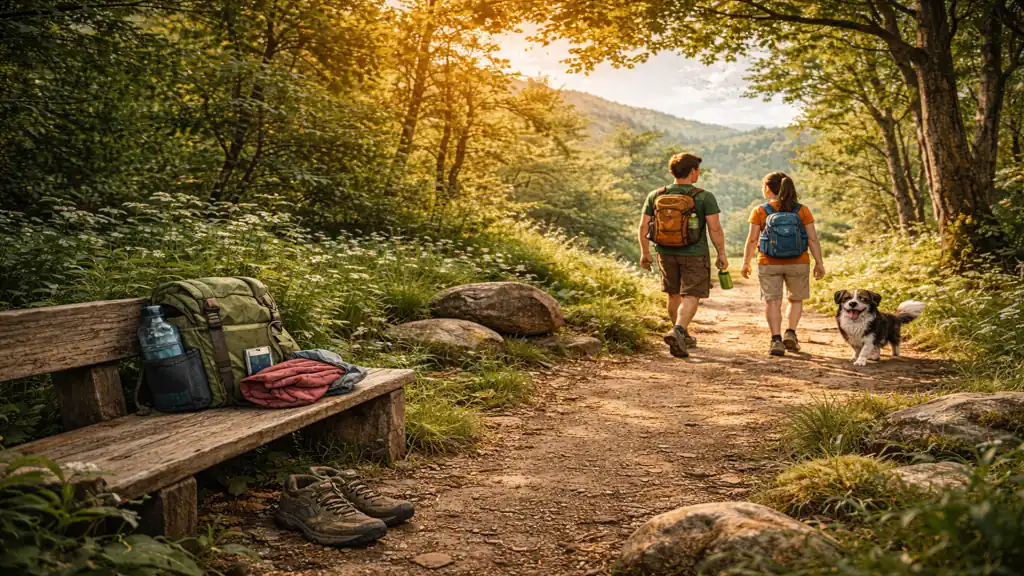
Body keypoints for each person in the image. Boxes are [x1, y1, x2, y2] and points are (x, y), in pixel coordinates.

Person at [639, 153, 728, 358]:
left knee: (673, 294)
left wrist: (645, 252)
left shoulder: (656, 195)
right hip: (694, 254)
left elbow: (644, 226)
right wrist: (721, 253)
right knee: (691, 295)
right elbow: (714, 229)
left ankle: (682, 334)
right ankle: (679, 330)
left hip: (665, 252)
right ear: (693, 172)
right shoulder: (704, 196)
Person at [740, 172, 826, 357]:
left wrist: (746, 262)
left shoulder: (760, 211)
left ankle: (776, 339)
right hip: (798, 262)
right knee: (795, 299)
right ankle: (791, 333)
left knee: (773, 302)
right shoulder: (802, 210)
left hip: (768, 262)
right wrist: (819, 263)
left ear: (768, 188)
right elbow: (812, 238)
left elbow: (752, 239)